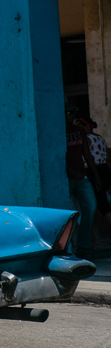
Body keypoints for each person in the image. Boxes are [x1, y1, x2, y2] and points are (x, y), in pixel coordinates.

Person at [65, 104, 100, 257]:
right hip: (65, 178)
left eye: (74, 113)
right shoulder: (58, 131)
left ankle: (85, 245)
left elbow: (87, 153)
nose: (72, 116)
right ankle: (66, 246)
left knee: (91, 207)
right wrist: (69, 171)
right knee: (66, 213)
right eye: (69, 113)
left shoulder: (79, 132)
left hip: (81, 177)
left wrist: (96, 175)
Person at [76, 116, 111, 230]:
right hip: (105, 170)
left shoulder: (86, 138)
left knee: (101, 205)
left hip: (93, 172)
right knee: (101, 202)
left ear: (85, 126)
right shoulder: (100, 138)